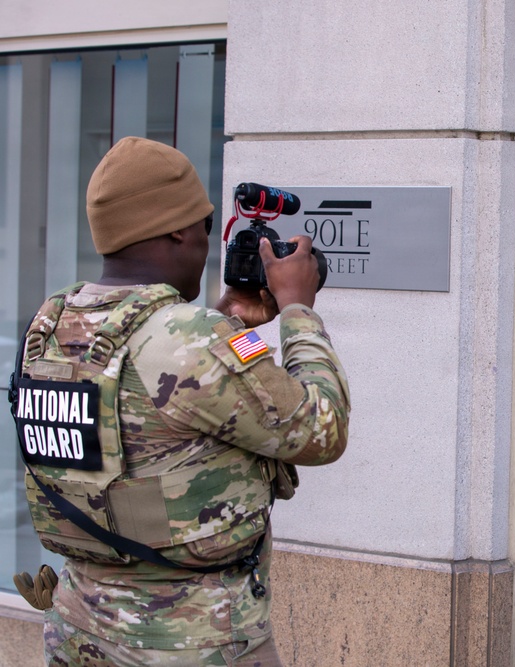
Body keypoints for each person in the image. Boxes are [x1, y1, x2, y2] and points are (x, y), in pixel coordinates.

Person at [10, 136, 350, 666]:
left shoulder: (53, 322)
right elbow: (321, 429)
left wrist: (227, 324)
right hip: (191, 640)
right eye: (206, 226)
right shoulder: (192, 339)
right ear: (177, 228)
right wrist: (298, 309)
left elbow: (157, 416)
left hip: (79, 628)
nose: (207, 241)